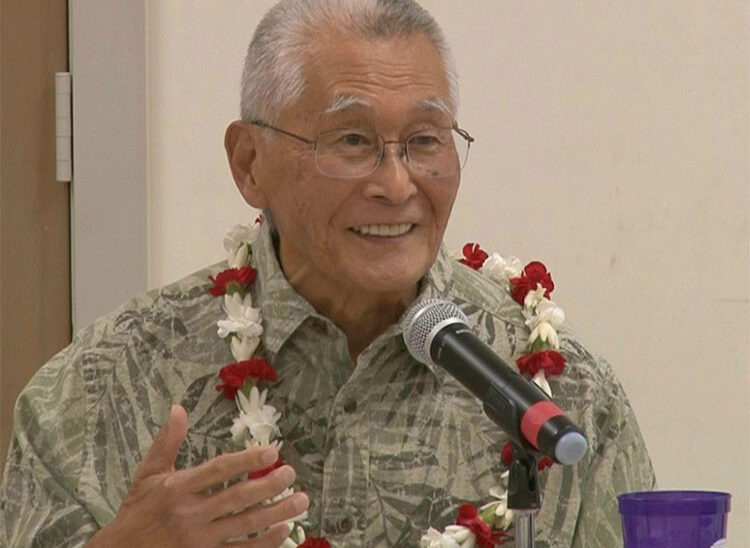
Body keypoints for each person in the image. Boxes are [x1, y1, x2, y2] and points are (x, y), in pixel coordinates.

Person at [0, 1, 656, 547]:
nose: (397, 185)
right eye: (352, 141)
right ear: (250, 163)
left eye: (426, 140)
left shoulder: (559, 398)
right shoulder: (105, 385)